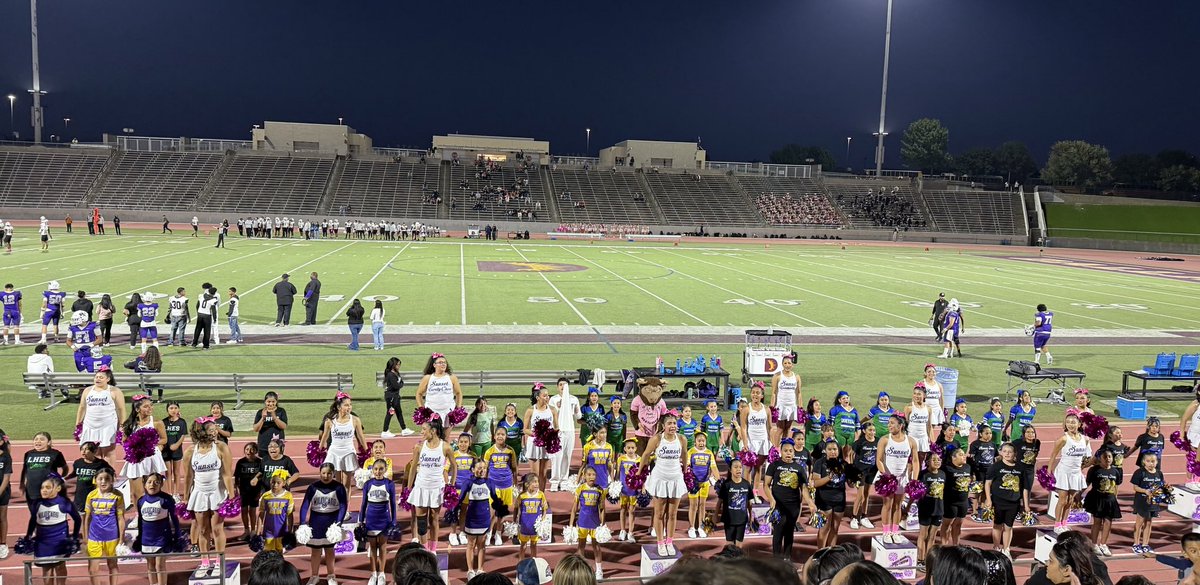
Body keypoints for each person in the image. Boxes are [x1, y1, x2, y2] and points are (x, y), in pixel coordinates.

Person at [183, 416, 234, 578]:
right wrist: (185, 497)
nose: (215, 433)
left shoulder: (221, 448)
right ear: (201, 432)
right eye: (211, 430)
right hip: (199, 493)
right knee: (203, 529)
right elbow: (189, 476)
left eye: (215, 430)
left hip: (217, 493)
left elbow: (227, 475)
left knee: (217, 528)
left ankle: (219, 562)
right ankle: (205, 562)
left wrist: (231, 496)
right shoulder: (190, 451)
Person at [643, 411, 687, 556]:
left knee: (673, 514)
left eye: (674, 423)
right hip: (660, 479)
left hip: (675, 479)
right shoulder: (657, 439)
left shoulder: (681, 439)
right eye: (669, 423)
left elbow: (685, 455)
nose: (672, 426)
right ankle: (660, 542)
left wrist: (685, 471)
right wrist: (638, 473)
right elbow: (645, 455)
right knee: (660, 513)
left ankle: (669, 541)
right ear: (663, 425)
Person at [407, 418, 453, 551]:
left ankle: (432, 550)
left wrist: (451, 485)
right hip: (421, 487)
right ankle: (424, 549)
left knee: (434, 519)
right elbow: (413, 467)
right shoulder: (419, 447)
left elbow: (454, 467)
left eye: (424, 429)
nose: (421, 432)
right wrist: (408, 489)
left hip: (436, 488)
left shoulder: (445, 447)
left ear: (432, 431)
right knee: (421, 523)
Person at [26, 474, 81, 585]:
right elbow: (33, 520)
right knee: (46, 569)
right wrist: (28, 535)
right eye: (42, 488)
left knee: (60, 567)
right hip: (43, 542)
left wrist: (74, 536)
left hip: (59, 541)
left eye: (48, 487)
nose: (44, 490)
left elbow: (77, 519)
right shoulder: (37, 503)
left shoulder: (64, 503)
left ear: (58, 489)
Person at [877, 413, 918, 544]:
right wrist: (886, 476)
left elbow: (916, 461)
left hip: (902, 478)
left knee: (898, 505)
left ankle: (895, 531)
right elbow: (878, 460)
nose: (889, 425)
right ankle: (886, 532)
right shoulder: (884, 439)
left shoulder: (911, 441)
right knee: (887, 504)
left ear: (900, 426)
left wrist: (914, 479)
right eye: (888, 423)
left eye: (892, 423)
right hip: (888, 477)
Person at [765, 437, 808, 561]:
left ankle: (787, 558)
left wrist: (810, 503)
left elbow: (803, 488)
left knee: (789, 531)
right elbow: (766, 485)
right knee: (778, 530)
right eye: (785, 451)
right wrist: (771, 499)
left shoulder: (799, 468)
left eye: (790, 451)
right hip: (778, 505)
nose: (788, 453)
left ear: (794, 452)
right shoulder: (774, 465)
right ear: (781, 452)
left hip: (793, 506)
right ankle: (776, 559)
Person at [1049, 414, 1093, 533]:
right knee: (1062, 500)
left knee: (1070, 500)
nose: (1070, 425)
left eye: (1073, 422)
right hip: (1064, 472)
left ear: (1079, 424)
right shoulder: (1063, 439)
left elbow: (1087, 457)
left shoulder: (1085, 439)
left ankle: (1064, 523)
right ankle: (1057, 525)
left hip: (1075, 473)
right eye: (1068, 422)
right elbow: (1053, 455)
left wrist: (1083, 466)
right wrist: (1049, 471)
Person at [121, 394, 168, 505]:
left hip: (151, 458)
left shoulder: (157, 423)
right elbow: (124, 441)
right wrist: (133, 445)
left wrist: (148, 443)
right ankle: (139, 516)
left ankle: (155, 514)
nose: (150, 408)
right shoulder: (130, 424)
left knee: (153, 490)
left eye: (151, 405)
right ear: (137, 409)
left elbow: (164, 439)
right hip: (136, 459)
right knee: (137, 493)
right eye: (146, 406)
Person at [984, 443, 1028, 559]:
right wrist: (988, 499)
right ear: (1001, 452)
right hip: (998, 501)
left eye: (1010, 451)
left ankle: (1006, 549)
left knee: (1008, 526)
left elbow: (1024, 488)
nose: (1007, 453)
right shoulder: (996, 466)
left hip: (1013, 502)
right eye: (1005, 451)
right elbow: (988, 483)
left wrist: (1026, 505)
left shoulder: (1020, 468)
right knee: (997, 525)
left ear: (1015, 454)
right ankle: (996, 547)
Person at [82, 468, 124, 585]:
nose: (103, 482)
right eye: (100, 479)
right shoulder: (91, 495)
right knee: (93, 568)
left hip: (112, 537)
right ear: (96, 480)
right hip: (94, 536)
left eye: (107, 479)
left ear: (112, 480)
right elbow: (87, 518)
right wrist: (85, 537)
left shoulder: (118, 496)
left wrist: (121, 538)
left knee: (112, 565)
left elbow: (121, 518)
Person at [321, 393, 368, 494]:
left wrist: (367, 451)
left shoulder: (355, 420)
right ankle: (338, 506)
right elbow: (324, 436)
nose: (349, 407)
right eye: (346, 405)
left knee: (347, 483)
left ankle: (345, 508)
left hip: (348, 452)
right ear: (339, 407)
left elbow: (361, 436)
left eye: (350, 405)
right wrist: (319, 449)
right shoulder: (330, 421)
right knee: (337, 482)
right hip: (334, 452)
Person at [136, 473, 179, 585]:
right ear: (145, 485)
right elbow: (140, 520)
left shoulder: (166, 499)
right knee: (150, 566)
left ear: (161, 484)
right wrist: (139, 538)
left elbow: (174, 518)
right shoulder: (141, 501)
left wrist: (177, 536)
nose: (152, 485)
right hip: (146, 539)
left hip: (162, 538)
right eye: (149, 482)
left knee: (160, 565)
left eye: (156, 482)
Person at [75, 369, 126, 462]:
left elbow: (121, 409)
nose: (98, 379)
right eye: (96, 377)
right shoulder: (87, 390)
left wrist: (122, 424)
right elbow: (82, 407)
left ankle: (109, 474)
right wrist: (78, 423)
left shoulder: (115, 391)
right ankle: (97, 474)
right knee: (94, 452)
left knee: (109, 452)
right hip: (90, 425)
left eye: (101, 377)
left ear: (108, 379)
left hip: (108, 425)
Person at [360, 459, 396, 585]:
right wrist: (360, 520)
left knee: (383, 547)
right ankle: (373, 574)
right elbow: (363, 504)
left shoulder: (389, 484)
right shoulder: (368, 484)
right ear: (372, 470)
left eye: (381, 469)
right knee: (373, 547)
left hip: (384, 520)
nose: (378, 471)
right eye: (375, 469)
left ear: (385, 470)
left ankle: (381, 574)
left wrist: (394, 520)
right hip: (371, 519)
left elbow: (393, 504)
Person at [570, 466, 607, 579]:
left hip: (595, 523)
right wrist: (571, 524)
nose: (592, 477)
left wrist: (602, 524)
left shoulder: (600, 490)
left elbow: (602, 509)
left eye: (594, 475)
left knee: (597, 547)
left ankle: (599, 570)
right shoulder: (580, 489)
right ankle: (581, 569)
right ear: (584, 476)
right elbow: (574, 508)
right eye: (589, 474)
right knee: (581, 546)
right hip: (582, 522)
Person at [462, 458, 496, 580]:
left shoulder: (490, 483)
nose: (482, 470)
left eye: (484, 468)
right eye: (479, 468)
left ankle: (480, 569)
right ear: (473, 469)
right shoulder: (468, 483)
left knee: (482, 544)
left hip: (484, 518)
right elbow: (461, 500)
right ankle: (470, 570)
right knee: (471, 544)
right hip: (472, 518)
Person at [813, 439, 848, 549]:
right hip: (824, 499)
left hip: (839, 500)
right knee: (824, 528)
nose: (833, 451)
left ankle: (830, 552)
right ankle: (820, 553)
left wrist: (855, 479)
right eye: (830, 449)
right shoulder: (819, 463)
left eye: (835, 449)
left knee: (835, 527)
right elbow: (816, 483)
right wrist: (829, 477)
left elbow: (850, 484)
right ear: (825, 451)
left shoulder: (843, 464)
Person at [524, 388, 558, 500]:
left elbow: (557, 427)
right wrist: (537, 434)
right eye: (544, 396)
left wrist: (550, 434)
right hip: (535, 444)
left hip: (546, 444)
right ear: (538, 397)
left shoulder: (553, 410)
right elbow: (525, 429)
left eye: (548, 395)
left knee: (543, 474)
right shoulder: (530, 410)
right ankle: (532, 496)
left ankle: (541, 497)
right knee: (535, 474)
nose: (547, 398)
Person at [914, 451, 945, 572]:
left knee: (932, 537)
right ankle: (920, 560)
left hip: (938, 509)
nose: (937, 461)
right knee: (923, 535)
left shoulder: (943, 474)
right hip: (925, 509)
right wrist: (908, 506)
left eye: (939, 459)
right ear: (927, 462)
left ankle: (928, 560)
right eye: (934, 459)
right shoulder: (923, 475)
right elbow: (916, 492)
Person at [739, 382, 772, 498]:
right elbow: (743, 427)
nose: (755, 395)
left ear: (762, 395)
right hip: (751, 442)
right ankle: (746, 491)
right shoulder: (746, 410)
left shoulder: (767, 410)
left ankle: (755, 492)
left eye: (758, 393)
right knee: (747, 468)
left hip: (763, 441)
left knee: (758, 468)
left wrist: (770, 443)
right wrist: (745, 442)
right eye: (753, 393)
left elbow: (769, 427)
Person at [549, 378, 582, 491]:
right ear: (557, 387)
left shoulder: (574, 399)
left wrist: (577, 409)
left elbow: (578, 416)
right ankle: (554, 481)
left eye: (565, 384)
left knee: (567, 456)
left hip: (570, 430)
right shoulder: (553, 400)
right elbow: (551, 415)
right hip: (558, 430)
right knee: (557, 456)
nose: (563, 386)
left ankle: (564, 480)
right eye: (560, 385)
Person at [1132, 451, 1165, 555]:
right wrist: (1145, 491)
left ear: (1156, 462)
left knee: (1149, 522)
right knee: (1140, 522)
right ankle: (1136, 544)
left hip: (1153, 502)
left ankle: (1145, 544)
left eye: (1153, 461)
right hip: (1142, 501)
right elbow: (1135, 487)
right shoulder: (1139, 472)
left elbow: (1161, 486)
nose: (1151, 463)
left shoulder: (1159, 473)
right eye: (1148, 461)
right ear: (1143, 462)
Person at [416, 353, 464, 423]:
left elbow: (458, 393)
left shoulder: (452, 377)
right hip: (431, 412)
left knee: (445, 434)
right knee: (433, 433)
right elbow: (419, 394)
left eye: (444, 362)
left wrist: (458, 408)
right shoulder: (427, 378)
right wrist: (422, 408)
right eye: (440, 362)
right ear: (434, 365)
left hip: (448, 412)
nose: (443, 364)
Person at [849, 420, 879, 530]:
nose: (872, 432)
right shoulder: (860, 442)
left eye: (874, 430)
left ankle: (864, 516)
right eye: (870, 430)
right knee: (860, 495)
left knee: (867, 494)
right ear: (864, 431)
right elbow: (851, 455)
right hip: (859, 471)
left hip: (871, 471)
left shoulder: (878, 441)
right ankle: (854, 517)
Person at [769, 351, 802, 446]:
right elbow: (773, 393)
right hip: (781, 406)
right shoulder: (777, 376)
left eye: (789, 363)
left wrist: (800, 408)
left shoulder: (796, 377)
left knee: (787, 428)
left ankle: (784, 446)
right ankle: (775, 449)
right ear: (782, 364)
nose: (787, 365)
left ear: (792, 365)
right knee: (780, 428)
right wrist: (772, 407)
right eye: (785, 363)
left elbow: (799, 393)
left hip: (791, 405)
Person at [515, 474, 550, 561]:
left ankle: (533, 562)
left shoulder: (540, 495)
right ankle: (521, 563)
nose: (537, 484)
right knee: (523, 545)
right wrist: (514, 520)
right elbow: (516, 508)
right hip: (524, 525)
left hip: (534, 525)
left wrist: (543, 519)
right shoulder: (522, 496)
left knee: (534, 545)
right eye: (534, 482)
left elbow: (545, 509)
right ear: (527, 484)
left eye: (537, 482)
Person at [381, 357, 412, 438]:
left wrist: (400, 384)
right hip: (391, 397)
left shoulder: (396, 373)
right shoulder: (391, 375)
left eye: (399, 364)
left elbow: (400, 382)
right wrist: (400, 385)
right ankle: (385, 431)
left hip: (396, 396)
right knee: (390, 412)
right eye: (397, 364)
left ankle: (404, 429)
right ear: (393, 365)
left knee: (399, 412)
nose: (399, 366)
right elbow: (396, 385)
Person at [615, 439, 639, 543]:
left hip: (633, 489)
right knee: (623, 508)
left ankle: (630, 532)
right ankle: (622, 530)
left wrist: (642, 487)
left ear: (636, 449)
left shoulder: (639, 459)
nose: (630, 450)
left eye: (632, 448)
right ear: (624, 449)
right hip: (623, 489)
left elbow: (642, 475)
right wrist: (615, 485)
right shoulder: (621, 458)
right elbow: (617, 473)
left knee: (632, 510)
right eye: (628, 448)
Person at [253, 392, 289, 456]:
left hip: (277, 444)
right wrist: (263, 418)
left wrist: (274, 417)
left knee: (277, 463)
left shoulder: (281, 411)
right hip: (263, 444)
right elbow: (256, 429)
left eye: (273, 402)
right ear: (265, 402)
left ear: (276, 402)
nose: (271, 404)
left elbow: (283, 426)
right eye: (268, 401)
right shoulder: (260, 412)